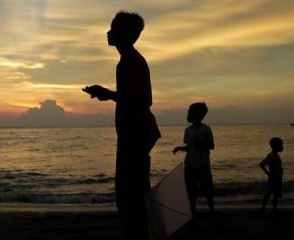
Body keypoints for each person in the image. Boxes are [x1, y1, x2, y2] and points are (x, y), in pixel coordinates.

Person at [83, 11, 161, 240]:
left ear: (125, 34)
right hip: (137, 132)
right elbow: (135, 96)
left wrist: (108, 94)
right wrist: (108, 94)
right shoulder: (130, 59)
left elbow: (142, 99)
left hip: (135, 133)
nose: (108, 32)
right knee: (134, 190)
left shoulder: (130, 61)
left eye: (113, 28)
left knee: (129, 194)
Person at [172, 102, 215, 216]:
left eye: (190, 112)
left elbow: (211, 146)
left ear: (197, 115)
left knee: (207, 190)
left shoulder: (206, 129)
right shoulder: (188, 130)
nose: (187, 114)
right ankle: (193, 214)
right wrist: (179, 148)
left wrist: (201, 144)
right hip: (190, 164)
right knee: (191, 192)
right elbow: (189, 147)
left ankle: (212, 212)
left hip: (202, 165)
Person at [259, 137, 284, 214]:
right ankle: (265, 209)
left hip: (277, 178)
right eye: (280, 145)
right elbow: (261, 164)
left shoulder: (275, 155)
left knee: (274, 194)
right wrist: (268, 173)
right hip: (273, 178)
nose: (282, 147)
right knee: (270, 194)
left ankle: (272, 209)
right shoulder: (271, 156)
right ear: (276, 147)